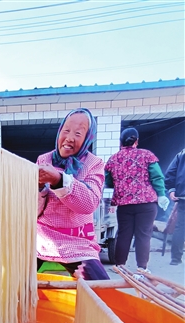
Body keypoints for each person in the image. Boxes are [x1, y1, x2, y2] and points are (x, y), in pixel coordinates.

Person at [36, 107, 109, 280]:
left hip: (77, 243)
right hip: (41, 239)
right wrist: (38, 187)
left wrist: (58, 179)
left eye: (78, 133)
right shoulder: (44, 160)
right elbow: (34, 210)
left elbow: (89, 203)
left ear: (87, 138)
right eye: (66, 130)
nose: (69, 138)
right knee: (11, 281)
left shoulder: (94, 163)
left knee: (101, 288)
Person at [104, 127, 169, 271]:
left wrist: (121, 182)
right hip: (147, 203)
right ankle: (142, 269)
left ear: (121, 142)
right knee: (143, 235)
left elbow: (108, 182)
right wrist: (161, 194)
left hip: (124, 205)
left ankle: (120, 266)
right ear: (137, 141)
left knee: (123, 234)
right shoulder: (147, 155)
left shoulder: (113, 159)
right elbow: (157, 177)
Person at [165, 149, 185, 266]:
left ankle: (175, 259)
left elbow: (170, 172)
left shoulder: (182, 153)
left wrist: (172, 189)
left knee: (180, 227)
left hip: (183, 196)